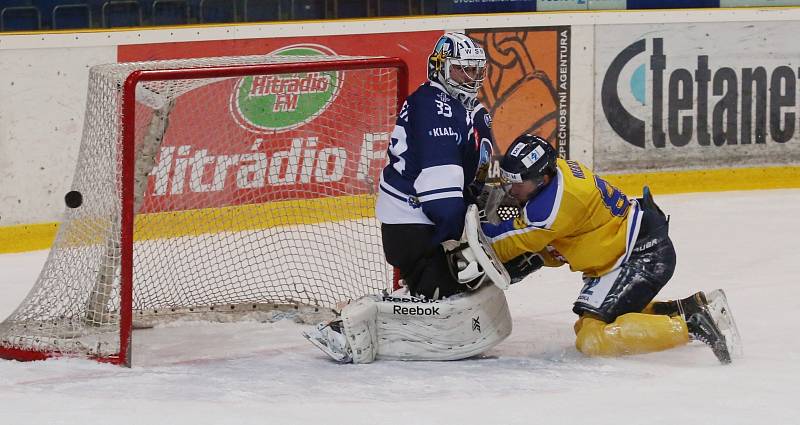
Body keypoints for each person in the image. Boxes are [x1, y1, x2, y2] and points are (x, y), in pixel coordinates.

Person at [303, 32, 512, 364]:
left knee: (461, 289)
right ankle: (346, 326)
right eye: (462, 70)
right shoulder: (435, 107)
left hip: (421, 218)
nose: (471, 78)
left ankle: (406, 296)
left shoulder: (459, 106)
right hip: (414, 224)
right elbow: (439, 182)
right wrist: (453, 233)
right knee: (446, 298)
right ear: (441, 69)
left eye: (475, 70)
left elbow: (471, 166)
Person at [481, 134, 741, 364]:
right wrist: (543, 255)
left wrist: (469, 231)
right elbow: (570, 236)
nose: (511, 190)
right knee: (585, 326)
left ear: (543, 178)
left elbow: (501, 243)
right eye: (508, 181)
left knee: (592, 340)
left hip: (640, 255)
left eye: (518, 184)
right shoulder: (557, 172)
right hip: (627, 249)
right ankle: (688, 309)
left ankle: (690, 326)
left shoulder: (548, 209)